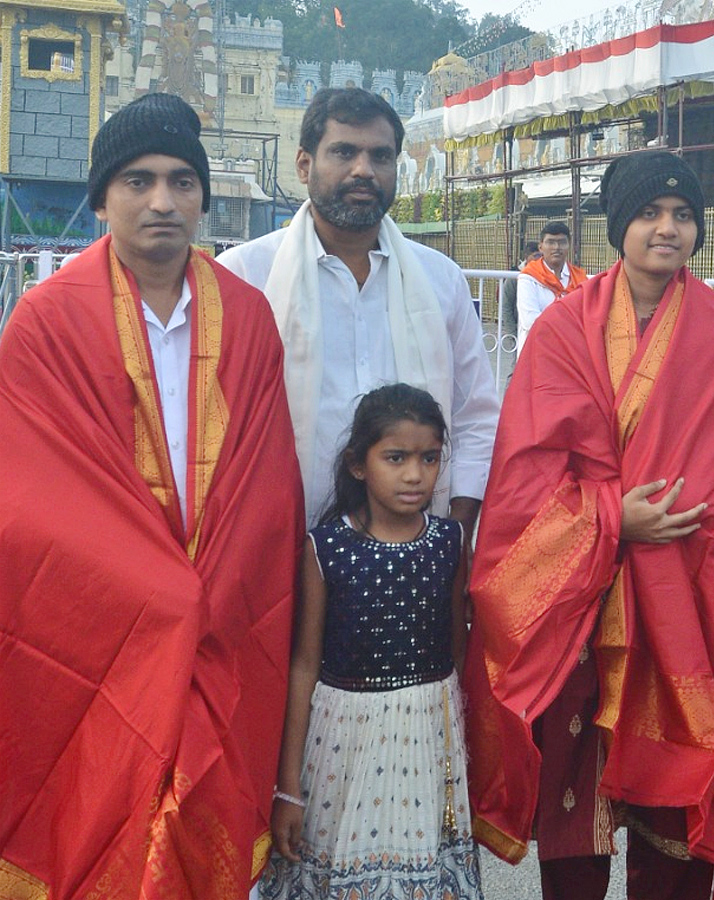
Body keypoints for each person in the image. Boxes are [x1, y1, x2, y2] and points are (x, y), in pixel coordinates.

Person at [0, 93, 302, 897]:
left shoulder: (247, 316)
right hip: (100, 626)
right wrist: (159, 593)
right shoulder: (45, 321)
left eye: (180, 181)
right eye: (137, 181)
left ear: (204, 196)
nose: (162, 202)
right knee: (100, 821)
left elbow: (268, 488)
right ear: (101, 198)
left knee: (204, 826)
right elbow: (31, 499)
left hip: (225, 617)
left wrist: (207, 594)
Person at [463, 151, 714, 899]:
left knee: (672, 806)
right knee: (578, 792)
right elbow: (527, 468)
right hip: (583, 602)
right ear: (619, 228)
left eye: (683, 216)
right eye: (649, 214)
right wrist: (614, 520)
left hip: (685, 591)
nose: (668, 229)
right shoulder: (564, 330)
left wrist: (670, 533)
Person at [218, 87, 498, 530]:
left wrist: (454, 538)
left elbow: (475, 419)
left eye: (381, 157)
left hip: (415, 552)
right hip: (278, 542)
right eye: (344, 152)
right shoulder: (245, 275)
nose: (363, 170)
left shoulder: (440, 280)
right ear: (304, 164)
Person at [259, 383, 482, 899]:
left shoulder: (449, 543)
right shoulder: (326, 547)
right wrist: (287, 789)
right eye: (396, 457)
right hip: (343, 744)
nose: (414, 474)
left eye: (429, 458)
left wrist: (462, 753)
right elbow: (303, 665)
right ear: (360, 465)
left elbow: (458, 653)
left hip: (430, 739)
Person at [515, 221, 587, 356]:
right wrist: (569, 326)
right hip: (536, 353)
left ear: (568, 246)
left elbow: (587, 319)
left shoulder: (580, 280)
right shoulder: (529, 278)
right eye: (550, 242)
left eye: (562, 242)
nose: (556, 247)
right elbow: (530, 321)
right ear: (541, 247)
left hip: (570, 356)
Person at [502, 239, 541, 336]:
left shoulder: (548, 276)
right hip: (519, 330)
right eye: (536, 256)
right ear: (526, 257)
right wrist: (512, 333)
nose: (539, 259)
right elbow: (506, 306)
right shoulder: (514, 277)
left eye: (542, 256)